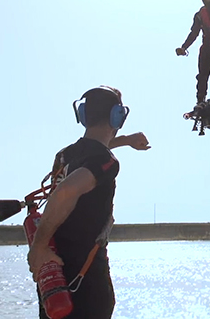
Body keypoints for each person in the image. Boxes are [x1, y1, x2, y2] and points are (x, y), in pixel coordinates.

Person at [27, 86, 151, 319]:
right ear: (118, 116)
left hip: (53, 279)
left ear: (82, 115)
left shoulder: (64, 156)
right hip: (86, 283)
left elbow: (90, 150)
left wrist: (125, 141)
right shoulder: (106, 162)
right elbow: (66, 192)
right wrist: (38, 247)